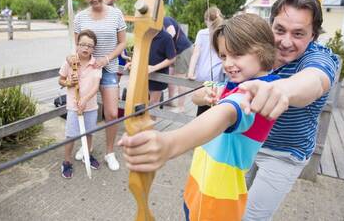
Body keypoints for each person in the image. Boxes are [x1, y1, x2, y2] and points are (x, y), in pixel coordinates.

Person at [119, 14, 279, 220]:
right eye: (223, 56)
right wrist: (205, 95)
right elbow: (197, 96)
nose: (228, 64)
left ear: (262, 51)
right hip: (199, 186)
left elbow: (227, 112)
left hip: (219, 200)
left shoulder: (258, 95)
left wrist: (169, 144)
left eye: (237, 54)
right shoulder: (234, 85)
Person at [237, 0, 339, 220]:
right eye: (280, 30)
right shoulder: (260, 49)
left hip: (285, 154)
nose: (285, 42)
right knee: (231, 207)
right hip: (250, 144)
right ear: (271, 25)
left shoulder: (319, 59)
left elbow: (313, 81)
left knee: (251, 217)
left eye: (298, 34)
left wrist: (281, 90)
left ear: (313, 36)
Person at [72, 0, 127, 171]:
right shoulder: (80, 18)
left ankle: (110, 152)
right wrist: (75, 68)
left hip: (109, 69)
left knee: (111, 113)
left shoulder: (116, 14)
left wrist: (106, 59)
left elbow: (123, 43)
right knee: (87, 110)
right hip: (87, 71)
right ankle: (88, 144)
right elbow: (77, 46)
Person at [59, 30, 102, 178]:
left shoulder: (95, 65)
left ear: (93, 48)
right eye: (83, 44)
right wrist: (69, 83)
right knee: (71, 135)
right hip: (73, 106)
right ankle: (66, 162)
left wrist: (85, 99)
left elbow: (96, 86)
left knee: (89, 133)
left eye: (90, 46)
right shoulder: (70, 62)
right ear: (77, 45)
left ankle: (87, 155)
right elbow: (61, 80)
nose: (86, 48)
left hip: (90, 106)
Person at [187, 6, 225, 116]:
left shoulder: (201, 33)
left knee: (202, 107)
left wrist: (190, 72)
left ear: (206, 20)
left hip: (202, 76)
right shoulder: (223, 33)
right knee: (216, 110)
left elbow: (196, 53)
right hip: (218, 76)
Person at [163, 16, 193, 112]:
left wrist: (162, 44)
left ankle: (181, 107)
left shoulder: (164, 19)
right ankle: (170, 100)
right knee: (171, 76)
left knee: (180, 78)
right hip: (175, 51)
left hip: (183, 50)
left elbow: (172, 32)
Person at [148, 29, 177, 106]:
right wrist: (132, 62)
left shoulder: (166, 37)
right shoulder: (144, 34)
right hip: (142, 74)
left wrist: (154, 68)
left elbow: (172, 58)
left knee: (153, 104)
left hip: (158, 76)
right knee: (140, 103)